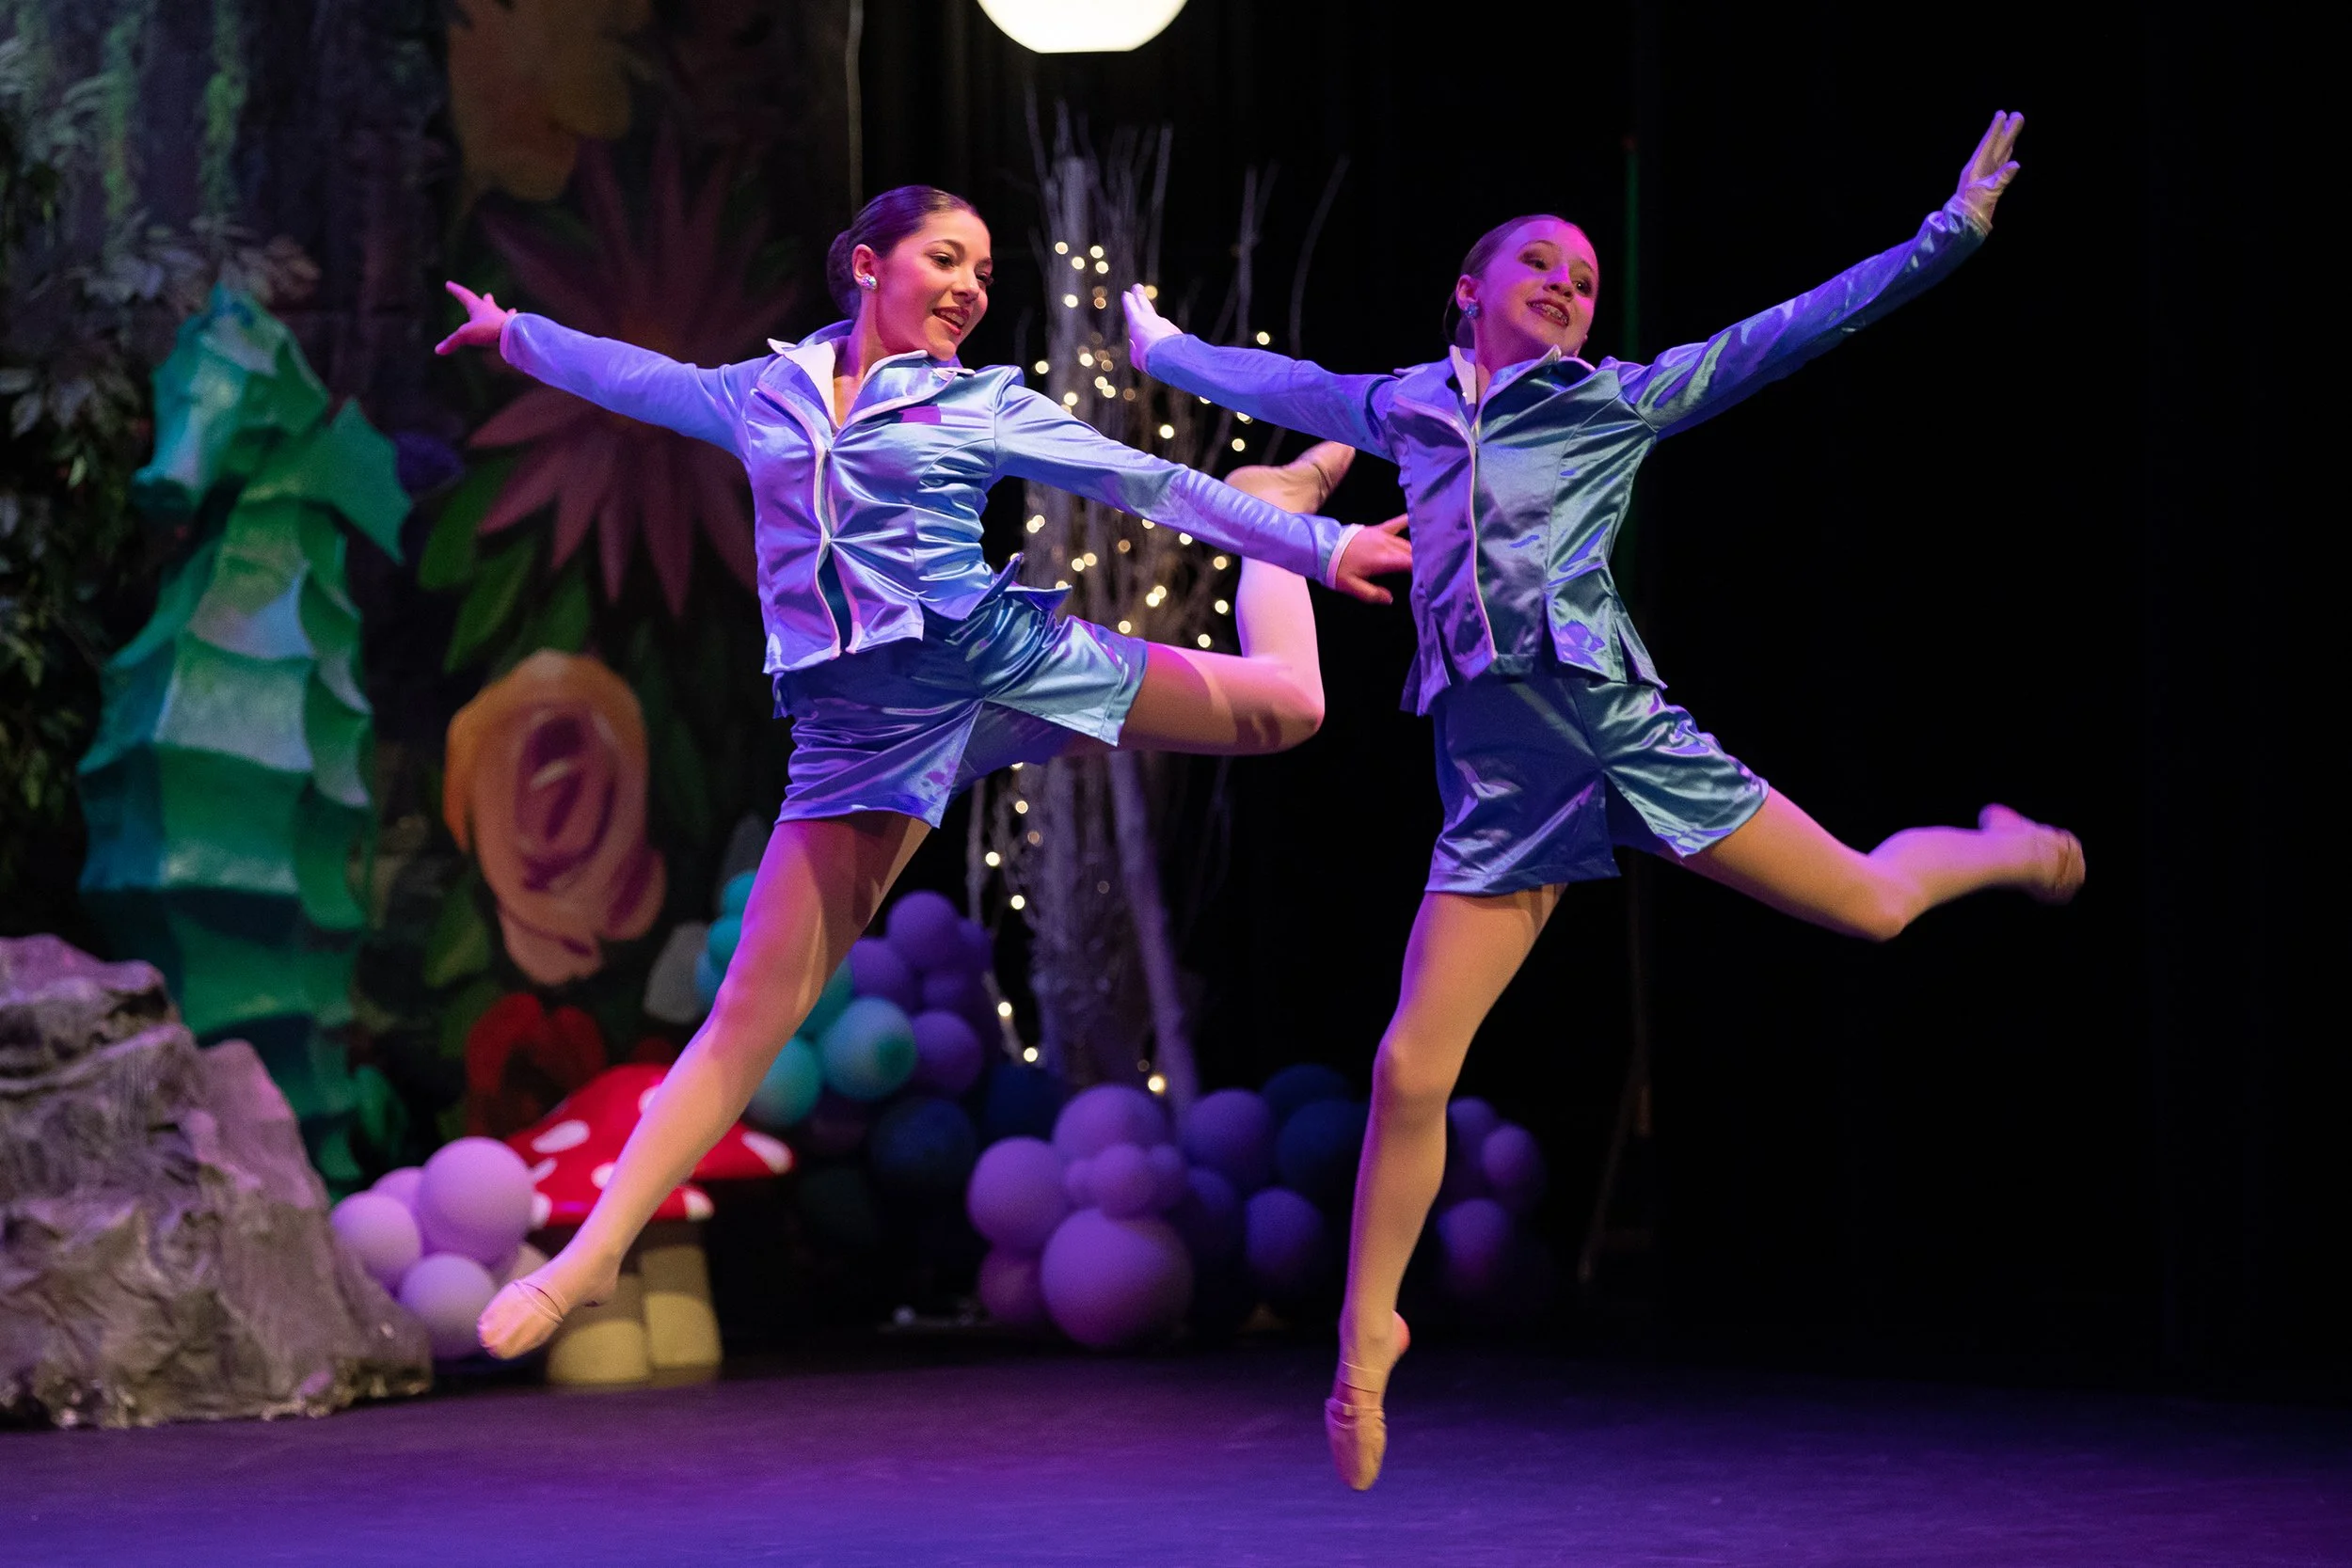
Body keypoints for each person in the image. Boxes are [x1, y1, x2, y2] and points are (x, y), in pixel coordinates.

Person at [1124, 112, 2080, 1490]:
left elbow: (1789, 329)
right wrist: (1161, 351)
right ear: (1470, 289)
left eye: (1583, 274)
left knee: (1871, 904)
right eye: (1542, 267)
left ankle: (1998, 852)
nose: (1572, 286)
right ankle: (1363, 1334)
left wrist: (1948, 236)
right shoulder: (1403, 405)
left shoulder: (1614, 397)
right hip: (1497, 775)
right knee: (1408, 1066)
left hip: (1622, 734)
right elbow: (1287, 385)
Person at [437, 184, 1410, 1359]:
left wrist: (1317, 539)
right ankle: (592, 1255)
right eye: (947, 258)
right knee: (750, 1015)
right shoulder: (766, 395)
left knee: (1292, 707)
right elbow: (643, 381)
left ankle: (1283, 496)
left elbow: (1149, 485)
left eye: (985, 272)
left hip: (996, 658)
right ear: (865, 265)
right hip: (858, 728)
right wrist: (514, 334)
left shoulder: (982, 402)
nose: (969, 287)